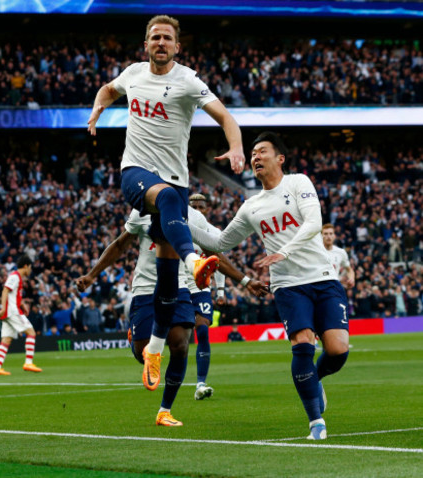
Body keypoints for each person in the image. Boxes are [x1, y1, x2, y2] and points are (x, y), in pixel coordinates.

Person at [87, 15, 245, 392]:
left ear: (177, 46)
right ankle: (195, 259)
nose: (160, 42)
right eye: (154, 37)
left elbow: (225, 116)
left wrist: (236, 146)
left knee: (168, 287)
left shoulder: (188, 81)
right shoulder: (134, 73)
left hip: (173, 188)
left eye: (167, 38)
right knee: (172, 198)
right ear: (145, 45)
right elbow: (109, 89)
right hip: (137, 174)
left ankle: (154, 351)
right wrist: (98, 109)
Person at [188, 132, 350, 440]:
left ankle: (316, 378)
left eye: (262, 151)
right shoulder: (251, 206)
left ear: (280, 158)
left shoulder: (299, 183)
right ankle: (316, 422)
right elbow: (221, 242)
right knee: (302, 345)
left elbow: (314, 222)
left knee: (338, 351)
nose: (255, 157)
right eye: (252, 154)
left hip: (324, 278)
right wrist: (181, 226)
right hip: (288, 285)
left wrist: (284, 250)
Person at [76, 207, 266, 426]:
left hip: (179, 287)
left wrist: (245, 281)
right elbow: (120, 245)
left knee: (180, 344)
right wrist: (92, 275)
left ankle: (165, 411)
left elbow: (213, 253)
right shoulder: (142, 212)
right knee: (142, 354)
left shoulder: (192, 217)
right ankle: (136, 338)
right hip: (146, 288)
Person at [187, 193, 268, 400]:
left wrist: (220, 291)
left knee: (203, 329)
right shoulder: (179, 225)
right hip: (178, 283)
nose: (197, 210)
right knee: (177, 338)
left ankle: (200, 383)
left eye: (201, 207)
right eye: (193, 206)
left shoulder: (213, 233)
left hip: (201, 286)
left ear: (207, 209)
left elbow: (218, 262)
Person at [0, 255, 42, 375]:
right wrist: (4, 308)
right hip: (11, 311)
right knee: (31, 332)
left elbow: (13, 294)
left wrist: (22, 304)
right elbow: (5, 290)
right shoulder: (15, 276)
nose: (30, 270)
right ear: (25, 266)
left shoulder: (17, 278)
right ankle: (28, 362)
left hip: (10, 310)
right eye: (30, 267)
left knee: (6, 340)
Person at [322, 224, 355, 289]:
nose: (328, 236)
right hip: (318, 288)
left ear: (334, 236)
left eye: (331, 234)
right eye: (325, 234)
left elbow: (349, 269)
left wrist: (351, 279)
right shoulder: (316, 252)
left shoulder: (341, 252)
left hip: (333, 289)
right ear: (321, 236)